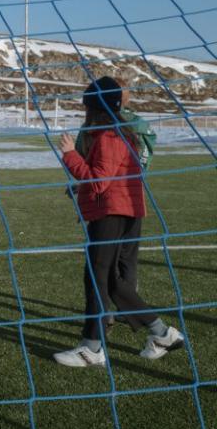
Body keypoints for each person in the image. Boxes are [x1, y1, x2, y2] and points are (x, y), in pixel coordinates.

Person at [54, 76, 183, 368]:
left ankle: (93, 347)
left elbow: (99, 182)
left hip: (113, 213)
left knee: (98, 279)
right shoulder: (118, 132)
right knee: (109, 280)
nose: (84, 112)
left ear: (96, 108)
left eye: (87, 106)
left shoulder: (110, 135)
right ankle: (162, 334)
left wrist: (70, 155)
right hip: (123, 212)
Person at [72, 77, 156, 316]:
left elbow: (95, 172)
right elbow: (143, 161)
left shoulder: (106, 132)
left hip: (108, 204)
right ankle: (123, 316)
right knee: (121, 263)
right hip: (131, 200)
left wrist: (71, 158)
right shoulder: (138, 125)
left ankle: (149, 326)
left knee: (100, 271)